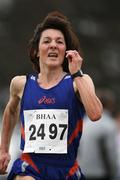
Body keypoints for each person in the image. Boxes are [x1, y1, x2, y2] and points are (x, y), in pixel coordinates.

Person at [0, 11, 103, 180]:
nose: (53, 45)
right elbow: (11, 110)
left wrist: (77, 73)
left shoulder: (79, 82)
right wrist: (3, 150)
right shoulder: (20, 84)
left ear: (66, 51)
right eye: (47, 41)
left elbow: (96, 114)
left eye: (59, 42)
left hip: (66, 171)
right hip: (30, 167)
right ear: (36, 51)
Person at [77, 89, 118, 180]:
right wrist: (113, 174)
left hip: (80, 172)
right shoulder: (108, 124)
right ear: (110, 105)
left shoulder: (84, 121)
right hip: (100, 174)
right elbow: (110, 153)